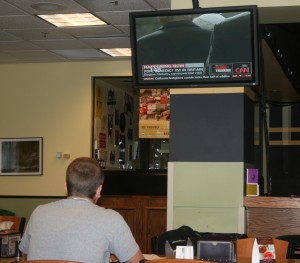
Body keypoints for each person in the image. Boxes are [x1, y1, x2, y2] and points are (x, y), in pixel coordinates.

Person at [19, 157, 144, 263]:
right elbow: (137, 261)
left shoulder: (39, 213)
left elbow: (24, 255)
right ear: (99, 190)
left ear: (65, 186)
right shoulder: (112, 219)